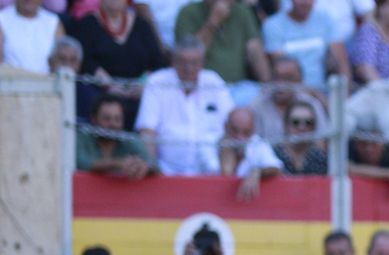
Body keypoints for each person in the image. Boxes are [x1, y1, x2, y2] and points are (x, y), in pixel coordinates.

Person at [135, 36, 232, 176]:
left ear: (202, 63)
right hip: (166, 172)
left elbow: (232, 126)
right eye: (182, 62)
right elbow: (147, 131)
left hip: (213, 171)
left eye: (194, 62)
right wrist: (153, 170)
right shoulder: (157, 82)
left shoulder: (214, 82)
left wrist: (226, 173)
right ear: (173, 62)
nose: (188, 68)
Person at [68, 0, 164, 124]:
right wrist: (109, 85)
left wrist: (142, 85)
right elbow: (85, 61)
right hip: (100, 91)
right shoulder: (87, 24)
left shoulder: (142, 25)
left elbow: (157, 61)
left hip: (139, 91)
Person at [173, 0, 270, 98]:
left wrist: (268, 84)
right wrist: (214, 21)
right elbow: (190, 55)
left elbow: (255, 51)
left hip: (237, 88)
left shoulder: (242, 12)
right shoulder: (188, 12)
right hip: (201, 88)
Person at [261, 0, 349, 93]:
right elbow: (282, 71)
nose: (305, 2)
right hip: (291, 93)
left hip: (324, 89)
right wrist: (313, 94)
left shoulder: (325, 18)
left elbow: (341, 60)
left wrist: (346, 92)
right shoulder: (273, 25)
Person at [251, 55, 329, 146]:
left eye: (287, 78)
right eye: (276, 77)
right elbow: (253, 147)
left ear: (299, 81)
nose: (280, 84)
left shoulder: (311, 104)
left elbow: (322, 142)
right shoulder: (257, 106)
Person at [78, 93, 157, 179]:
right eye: (106, 118)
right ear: (93, 119)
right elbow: (80, 163)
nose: (113, 124)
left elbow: (154, 165)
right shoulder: (82, 138)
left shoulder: (129, 140)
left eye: (117, 119)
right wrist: (118, 164)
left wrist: (144, 167)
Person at [218, 105, 283, 200]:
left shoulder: (258, 144)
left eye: (246, 132)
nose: (239, 137)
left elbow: (276, 167)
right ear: (225, 126)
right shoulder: (207, 145)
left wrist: (257, 172)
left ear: (253, 130)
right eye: (234, 130)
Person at [0, 0, 64, 74]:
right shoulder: (2, 19)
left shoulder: (53, 22)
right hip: (10, 81)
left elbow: (61, 62)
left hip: (46, 82)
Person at [273, 98, 328, 173]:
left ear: (314, 127)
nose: (302, 127)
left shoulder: (321, 159)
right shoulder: (272, 155)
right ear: (286, 126)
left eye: (308, 122)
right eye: (296, 122)